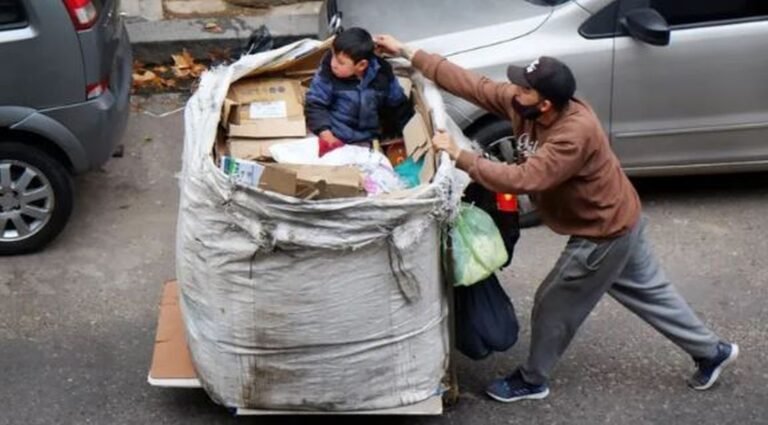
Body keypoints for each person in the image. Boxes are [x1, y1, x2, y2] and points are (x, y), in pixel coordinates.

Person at [375, 34, 738, 403]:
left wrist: (461, 156)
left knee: (553, 303)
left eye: (524, 88)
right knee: (652, 294)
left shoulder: (573, 134)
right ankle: (713, 352)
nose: (514, 91)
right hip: (622, 217)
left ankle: (533, 380)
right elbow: (475, 85)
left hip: (602, 231)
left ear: (545, 104)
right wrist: (407, 51)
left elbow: (524, 179)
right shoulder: (525, 105)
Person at [304, 28, 412, 152]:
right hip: (334, 135)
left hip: (367, 140)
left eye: (340, 62)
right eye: (333, 55)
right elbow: (315, 104)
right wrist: (326, 134)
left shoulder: (382, 74)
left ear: (361, 65)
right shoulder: (327, 72)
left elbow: (398, 106)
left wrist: (406, 134)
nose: (333, 63)